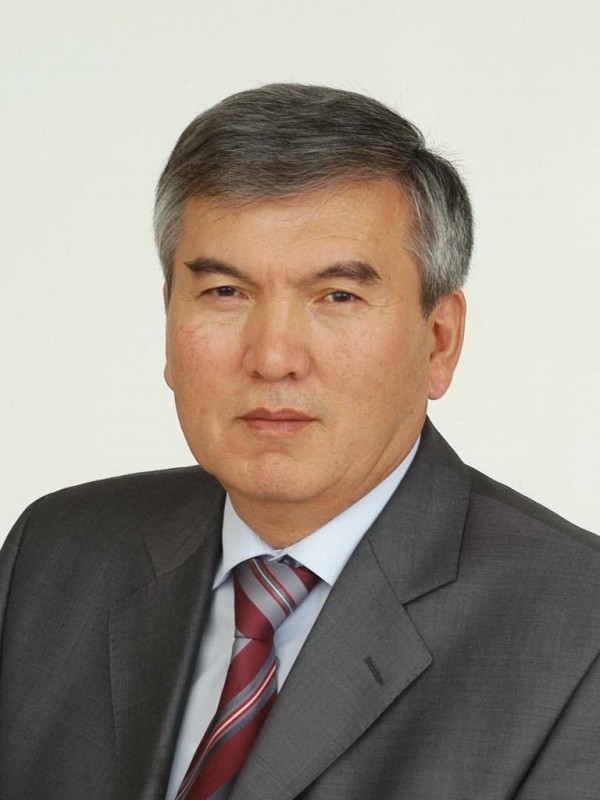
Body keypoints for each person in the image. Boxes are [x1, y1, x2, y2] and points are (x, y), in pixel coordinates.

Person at [1, 84, 599, 800]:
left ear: (439, 341)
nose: (273, 357)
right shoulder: (55, 554)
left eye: (337, 296)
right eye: (225, 293)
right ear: (168, 321)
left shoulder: (578, 630)